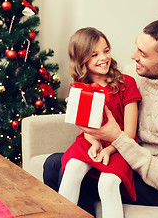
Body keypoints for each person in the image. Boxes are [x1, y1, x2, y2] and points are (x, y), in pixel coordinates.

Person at [43, 17, 158, 216]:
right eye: (137, 48)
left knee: (69, 173)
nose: (133, 56)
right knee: (55, 164)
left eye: (143, 54)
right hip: (127, 154)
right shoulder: (136, 74)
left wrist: (116, 138)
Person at [58, 27, 142, 218]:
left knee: (108, 184)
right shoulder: (79, 88)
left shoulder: (127, 83)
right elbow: (87, 127)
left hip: (121, 146)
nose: (103, 58)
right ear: (81, 59)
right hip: (91, 141)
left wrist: (108, 149)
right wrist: (95, 143)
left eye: (106, 51)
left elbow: (129, 133)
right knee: (71, 170)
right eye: (94, 54)